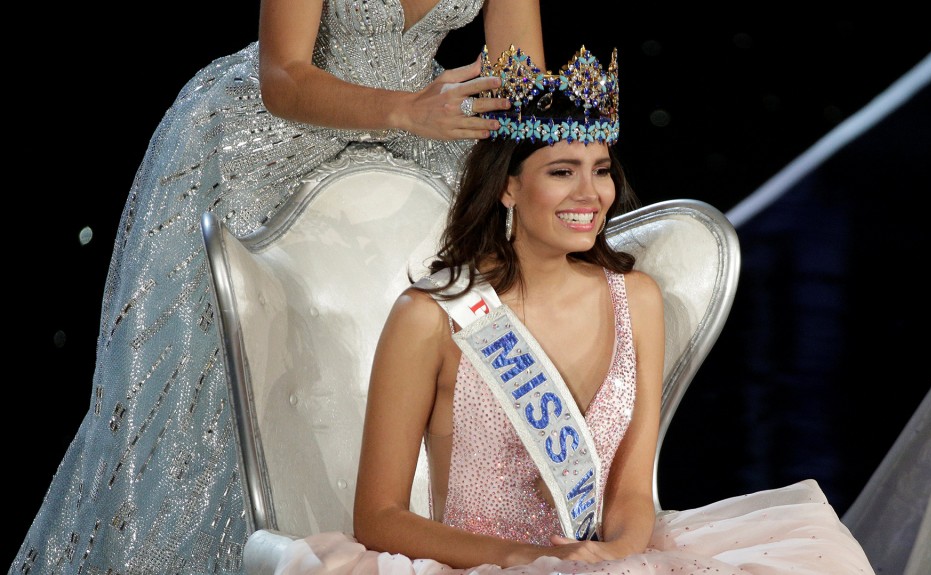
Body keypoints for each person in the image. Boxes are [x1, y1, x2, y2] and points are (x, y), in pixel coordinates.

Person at [267, 44, 877, 574]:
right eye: (563, 171)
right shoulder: (431, 316)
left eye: (601, 171)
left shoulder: (637, 300)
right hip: (483, 565)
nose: (592, 195)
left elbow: (632, 492)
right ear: (508, 186)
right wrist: (527, 563)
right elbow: (379, 518)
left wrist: (615, 560)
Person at [11, 2, 543, 573]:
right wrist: (406, 110)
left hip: (426, 132)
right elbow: (284, 74)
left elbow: (524, 79)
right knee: (234, 378)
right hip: (277, 138)